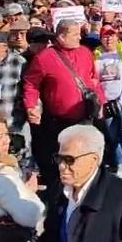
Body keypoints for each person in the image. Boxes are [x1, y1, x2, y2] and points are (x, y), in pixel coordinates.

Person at [23, 20, 105, 188]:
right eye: (75, 34)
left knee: (83, 157)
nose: (79, 37)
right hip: (57, 122)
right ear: (61, 36)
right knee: (61, 162)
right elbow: (31, 84)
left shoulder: (85, 53)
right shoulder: (44, 58)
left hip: (84, 118)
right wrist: (31, 105)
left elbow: (93, 79)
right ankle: (60, 196)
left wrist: (101, 101)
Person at [0, 117, 44, 242]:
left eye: (6, 134)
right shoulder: (3, 178)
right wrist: (29, 192)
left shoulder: (8, 169)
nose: (6, 140)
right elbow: (32, 216)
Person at [93, 25, 122, 183]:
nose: (109, 39)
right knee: (114, 138)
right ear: (101, 38)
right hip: (106, 103)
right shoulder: (95, 56)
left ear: (117, 37)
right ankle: (119, 165)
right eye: (105, 36)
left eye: (112, 35)